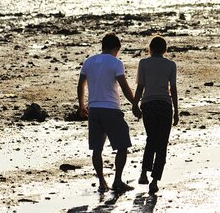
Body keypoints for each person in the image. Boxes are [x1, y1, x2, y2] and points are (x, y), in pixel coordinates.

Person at [77, 33, 141, 193]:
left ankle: (102, 182)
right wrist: (135, 103)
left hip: (94, 109)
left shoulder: (89, 62)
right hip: (111, 108)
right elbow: (124, 87)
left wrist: (81, 105)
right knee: (122, 145)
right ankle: (117, 180)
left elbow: (81, 84)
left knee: (97, 149)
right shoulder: (116, 63)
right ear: (116, 48)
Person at [134, 36, 179, 194]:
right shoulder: (171, 65)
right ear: (165, 50)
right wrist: (176, 111)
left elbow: (140, 86)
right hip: (165, 106)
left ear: (150, 48)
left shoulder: (143, 63)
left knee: (151, 139)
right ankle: (154, 181)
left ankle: (144, 173)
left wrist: (134, 104)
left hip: (148, 105)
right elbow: (172, 89)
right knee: (162, 144)